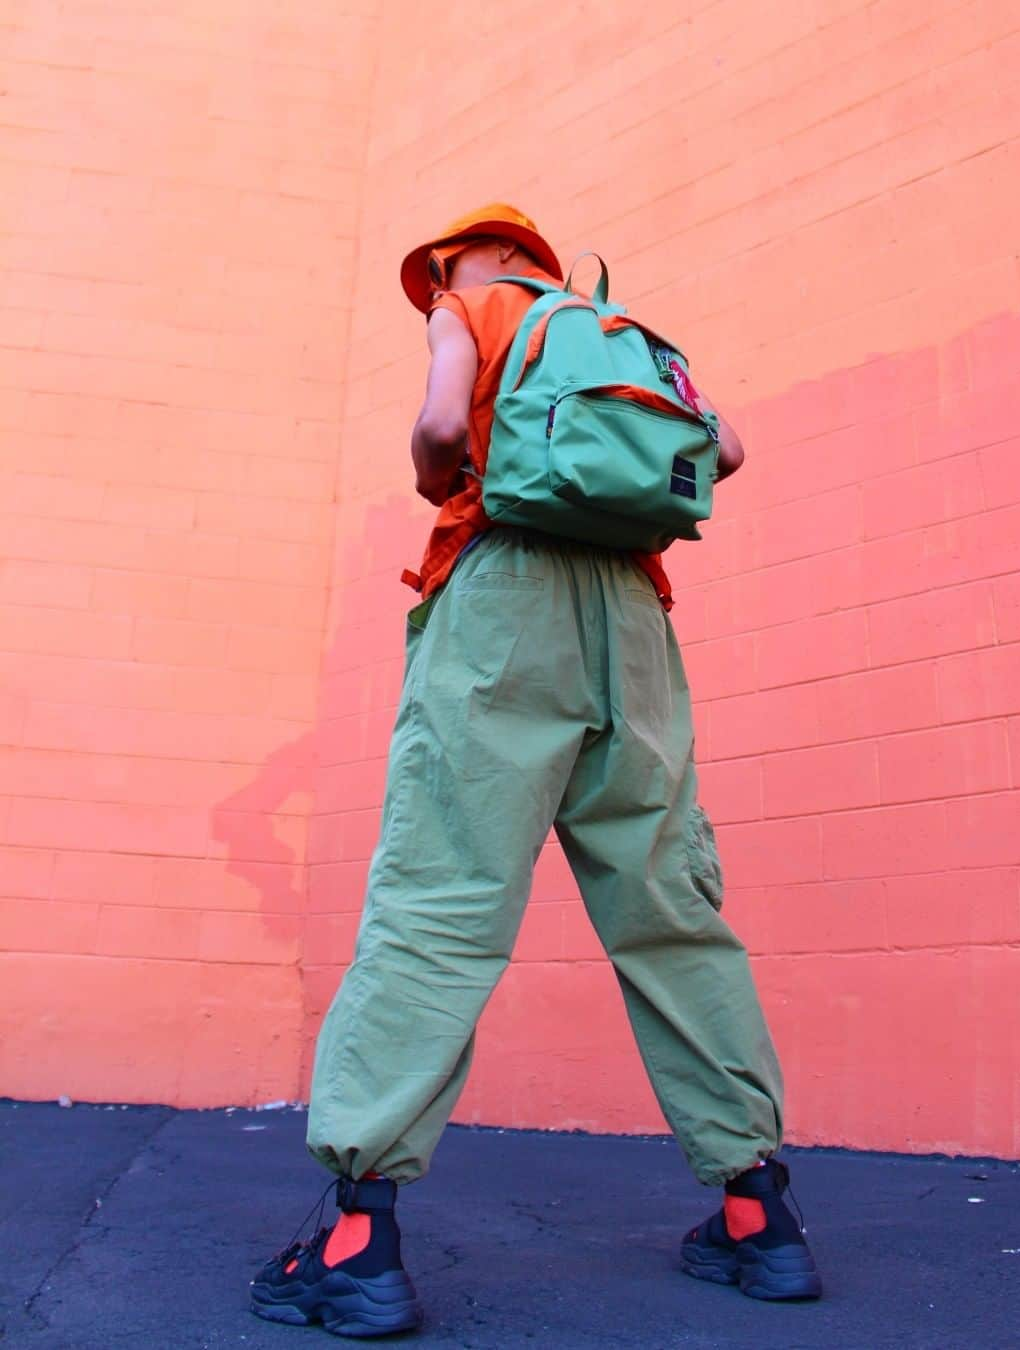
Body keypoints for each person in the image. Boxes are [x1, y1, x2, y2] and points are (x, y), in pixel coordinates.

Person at [250, 205, 822, 1338]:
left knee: (443, 896)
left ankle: (359, 1238)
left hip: (506, 599)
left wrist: (442, 472)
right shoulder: (629, 341)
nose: (435, 290)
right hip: (633, 620)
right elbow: (731, 453)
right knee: (671, 914)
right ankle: (760, 1213)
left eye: (440, 272)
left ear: (478, 257)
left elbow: (432, 429)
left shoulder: (478, 309)